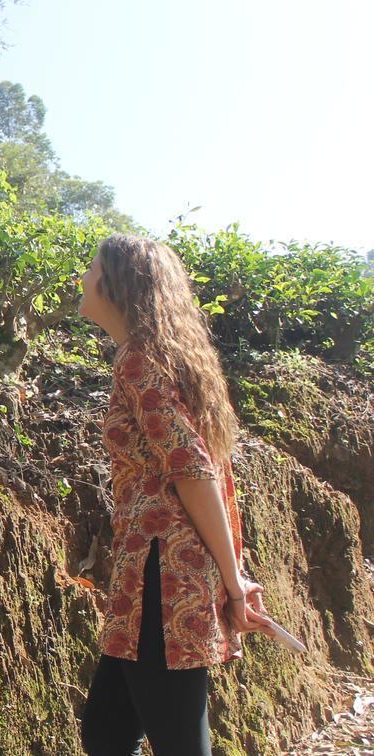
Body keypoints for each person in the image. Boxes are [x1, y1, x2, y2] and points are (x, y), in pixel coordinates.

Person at [77, 234, 273, 756]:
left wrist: (234, 584)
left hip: (160, 582)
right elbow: (208, 471)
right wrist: (229, 573)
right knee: (107, 731)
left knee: (180, 741)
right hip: (149, 576)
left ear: (113, 284)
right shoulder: (160, 358)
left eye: (89, 267)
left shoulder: (140, 361)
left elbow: (195, 471)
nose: (81, 278)